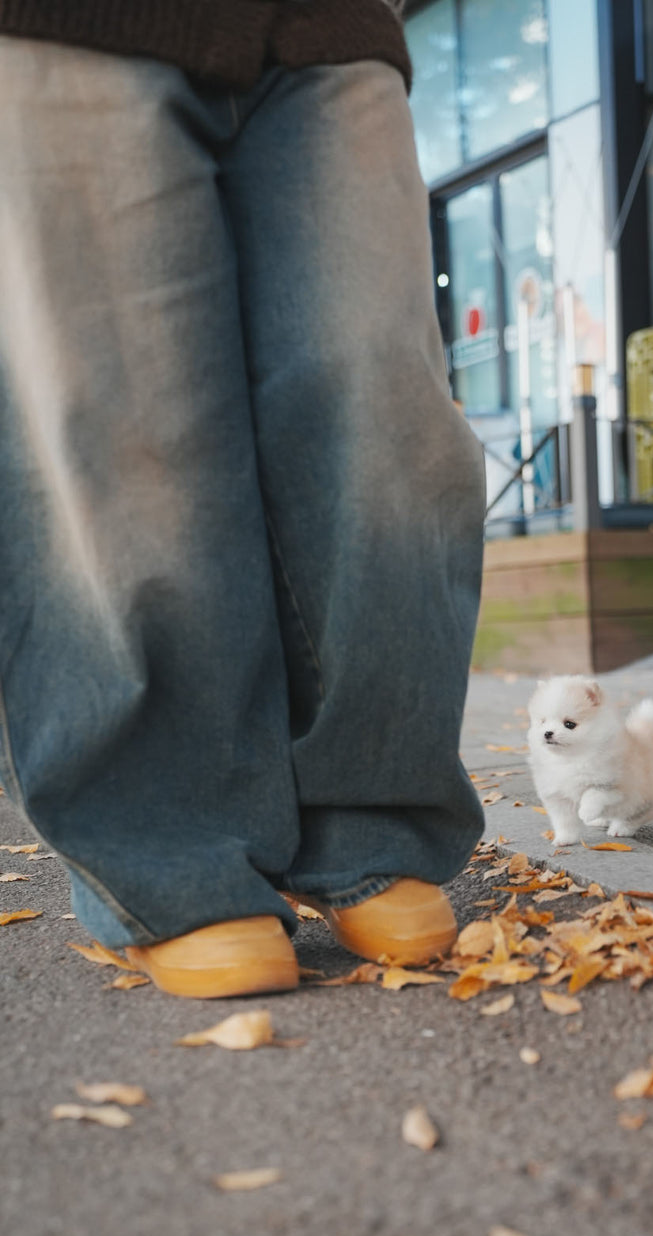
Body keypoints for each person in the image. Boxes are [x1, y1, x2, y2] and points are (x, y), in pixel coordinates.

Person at [0, 0, 487, 999]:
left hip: (327, 20)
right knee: (129, 422)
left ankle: (373, 816)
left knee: (384, 400)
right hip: (63, 20)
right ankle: (177, 853)